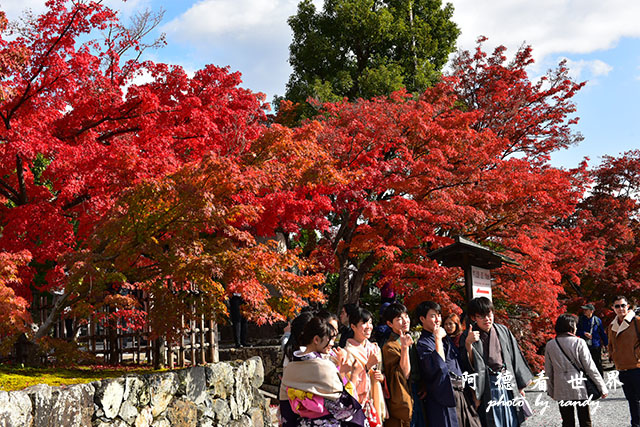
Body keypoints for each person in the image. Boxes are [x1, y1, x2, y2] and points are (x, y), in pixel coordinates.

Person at [281, 316, 368, 426]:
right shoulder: (324, 366)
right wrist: (352, 375)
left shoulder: (290, 367)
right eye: (330, 339)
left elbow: (285, 404)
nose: (332, 343)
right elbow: (345, 407)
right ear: (316, 340)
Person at [459, 297, 533, 427]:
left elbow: (515, 356)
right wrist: (468, 344)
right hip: (487, 384)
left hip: (507, 380)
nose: (487, 319)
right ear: (473, 317)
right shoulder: (468, 336)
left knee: (512, 417)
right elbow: (468, 364)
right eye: (481, 316)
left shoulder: (503, 330)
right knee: (493, 418)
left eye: (489, 314)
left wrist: (520, 385)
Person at [416, 301, 481, 427]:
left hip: (461, 392)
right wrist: (438, 339)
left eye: (439, 315)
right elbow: (438, 367)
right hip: (443, 395)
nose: (437, 319)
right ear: (422, 319)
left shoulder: (446, 338)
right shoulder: (423, 343)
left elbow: (460, 364)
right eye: (433, 316)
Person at [544, 313, 608, 427]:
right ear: (570, 326)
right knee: (585, 420)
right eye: (575, 325)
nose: (576, 328)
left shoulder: (550, 345)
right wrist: (601, 387)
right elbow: (590, 367)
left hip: (561, 387)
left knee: (567, 421)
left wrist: (551, 390)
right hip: (579, 385)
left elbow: (548, 371)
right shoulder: (579, 342)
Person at [341, 307, 387, 426]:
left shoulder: (375, 348)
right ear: (353, 326)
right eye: (364, 323)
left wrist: (381, 377)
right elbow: (349, 383)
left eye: (370, 322)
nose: (369, 327)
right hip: (360, 403)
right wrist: (367, 367)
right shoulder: (347, 352)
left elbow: (381, 373)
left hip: (375, 400)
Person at [606, 295, 640, 427]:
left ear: (628, 306)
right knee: (632, 400)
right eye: (617, 306)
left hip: (637, 365)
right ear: (613, 308)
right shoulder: (612, 326)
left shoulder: (636, 321)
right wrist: (613, 356)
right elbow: (610, 345)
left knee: (637, 399)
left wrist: (637, 353)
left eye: (623, 305)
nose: (621, 309)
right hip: (622, 368)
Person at [381, 302, 414, 427]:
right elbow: (403, 374)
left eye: (406, 316)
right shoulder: (390, 347)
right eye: (399, 318)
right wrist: (405, 348)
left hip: (415, 393)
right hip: (402, 399)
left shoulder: (408, 339)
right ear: (390, 324)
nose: (405, 321)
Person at [576, 303, 608, 376]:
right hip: (584, 345)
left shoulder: (597, 320)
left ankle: (600, 379)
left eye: (586, 310)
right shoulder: (580, 320)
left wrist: (606, 344)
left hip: (596, 345)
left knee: (597, 363)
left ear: (591, 311)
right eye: (584, 309)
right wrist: (584, 333)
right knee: (585, 364)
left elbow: (602, 333)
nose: (584, 311)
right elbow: (576, 331)